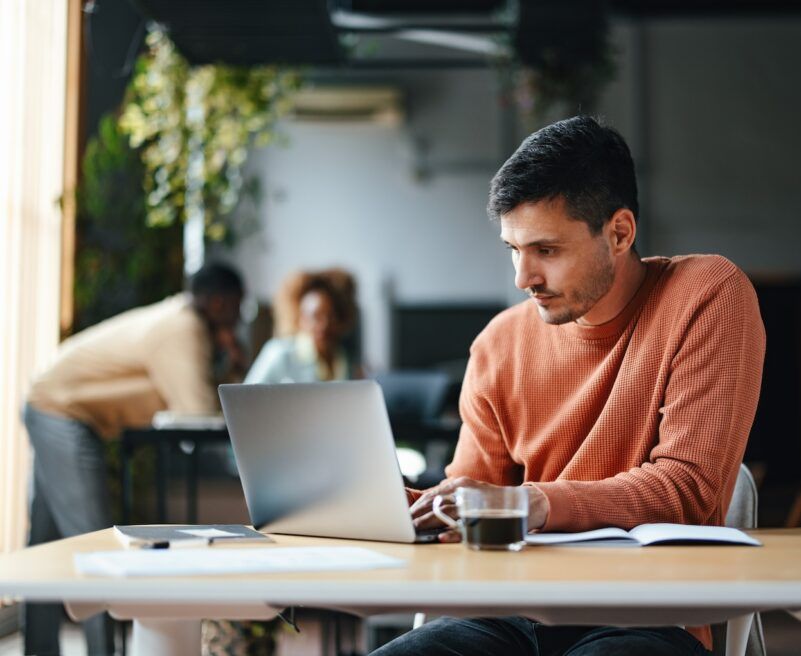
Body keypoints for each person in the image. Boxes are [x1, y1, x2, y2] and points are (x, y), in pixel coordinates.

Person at [373, 116, 765, 656]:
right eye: (513, 248)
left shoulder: (706, 295)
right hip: (501, 617)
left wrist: (529, 503)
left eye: (546, 250)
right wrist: (404, 507)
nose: (522, 277)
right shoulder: (499, 343)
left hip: (642, 618)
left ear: (619, 233)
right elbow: (469, 507)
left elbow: (686, 489)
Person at [22, 262, 244, 656]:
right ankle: (102, 652)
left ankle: (40, 650)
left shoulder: (178, 319)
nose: (239, 319)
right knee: (94, 545)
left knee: (45, 546)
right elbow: (199, 413)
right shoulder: (184, 328)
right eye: (237, 308)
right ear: (220, 302)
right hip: (64, 414)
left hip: (49, 403)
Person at [244, 268, 360, 384]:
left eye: (331, 317)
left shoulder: (344, 358)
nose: (324, 325)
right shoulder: (279, 353)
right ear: (301, 319)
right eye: (316, 317)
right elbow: (246, 397)